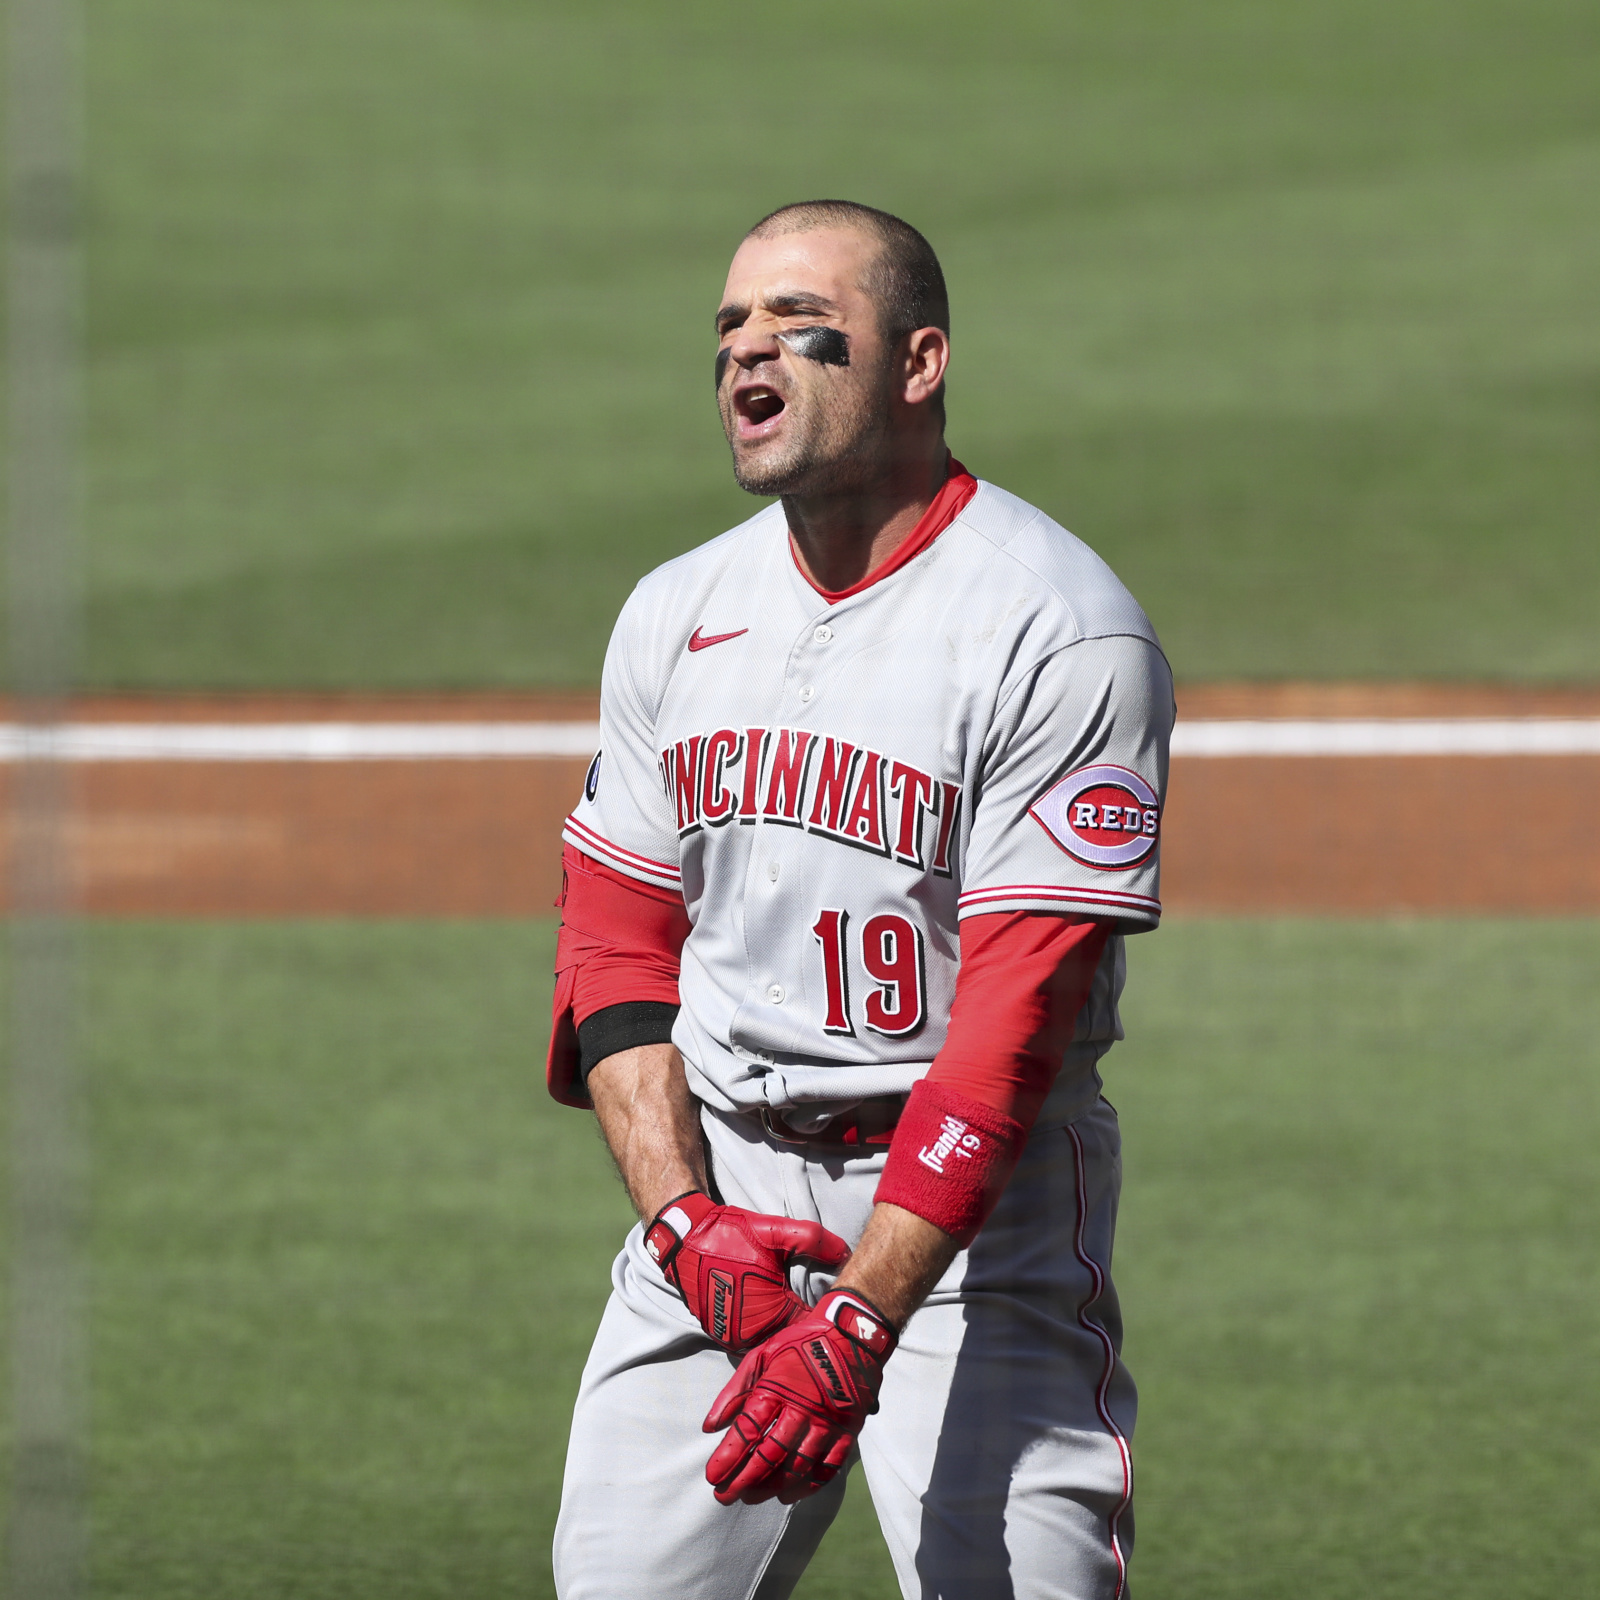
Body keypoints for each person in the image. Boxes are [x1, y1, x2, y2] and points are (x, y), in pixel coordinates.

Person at [547, 199, 1173, 1599]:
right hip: (727, 1203)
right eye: (728, 327)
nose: (745, 353)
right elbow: (611, 944)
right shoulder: (675, 612)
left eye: (795, 321)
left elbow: (1014, 1025)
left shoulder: (1054, 629)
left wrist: (864, 1318)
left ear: (918, 361)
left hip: (973, 1227)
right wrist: (682, 1227)